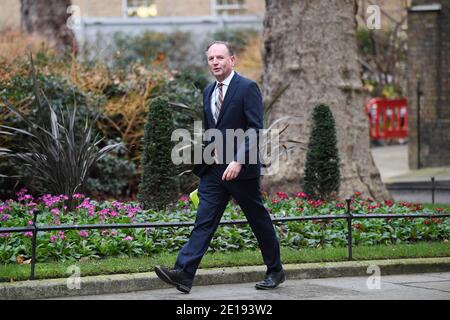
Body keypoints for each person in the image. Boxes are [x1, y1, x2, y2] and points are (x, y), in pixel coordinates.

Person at [154, 41, 284, 294]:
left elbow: (255, 128)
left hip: (240, 169)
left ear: (232, 60)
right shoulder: (208, 91)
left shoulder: (247, 88)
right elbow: (214, 128)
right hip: (214, 169)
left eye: (220, 57)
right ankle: (183, 273)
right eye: (211, 58)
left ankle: (275, 270)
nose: (215, 62)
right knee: (204, 220)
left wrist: (238, 159)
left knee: (257, 219)